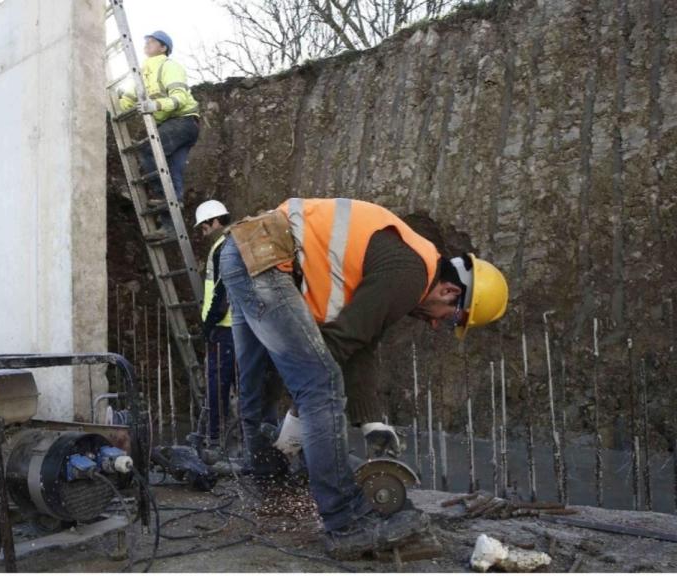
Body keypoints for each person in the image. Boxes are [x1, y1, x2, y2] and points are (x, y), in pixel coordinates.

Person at [218, 198, 508, 559]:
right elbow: (338, 347)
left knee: (258, 378)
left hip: (245, 249)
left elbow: (362, 339)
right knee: (322, 383)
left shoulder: (408, 264)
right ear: (451, 291)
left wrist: (371, 421)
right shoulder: (412, 273)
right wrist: (297, 417)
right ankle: (346, 521)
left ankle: (266, 468)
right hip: (268, 261)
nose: (437, 324)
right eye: (451, 318)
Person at [118, 30, 200, 234]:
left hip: (183, 121)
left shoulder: (168, 66)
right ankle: (170, 226)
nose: (146, 44)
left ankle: (163, 196)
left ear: (163, 48)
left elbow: (179, 98)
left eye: (152, 42)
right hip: (174, 124)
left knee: (148, 150)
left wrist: (155, 105)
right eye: (146, 41)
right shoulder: (144, 73)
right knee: (172, 171)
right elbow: (129, 98)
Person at [195, 200, 236, 447]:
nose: (202, 232)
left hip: (224, 329)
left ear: (215, 221)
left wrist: (209, 324)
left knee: (217, 385)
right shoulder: (233, 243)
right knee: (242, 386)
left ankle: (214, 439)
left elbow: (222, 293)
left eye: (203, 226)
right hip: (236, 328)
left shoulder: (223, 248)